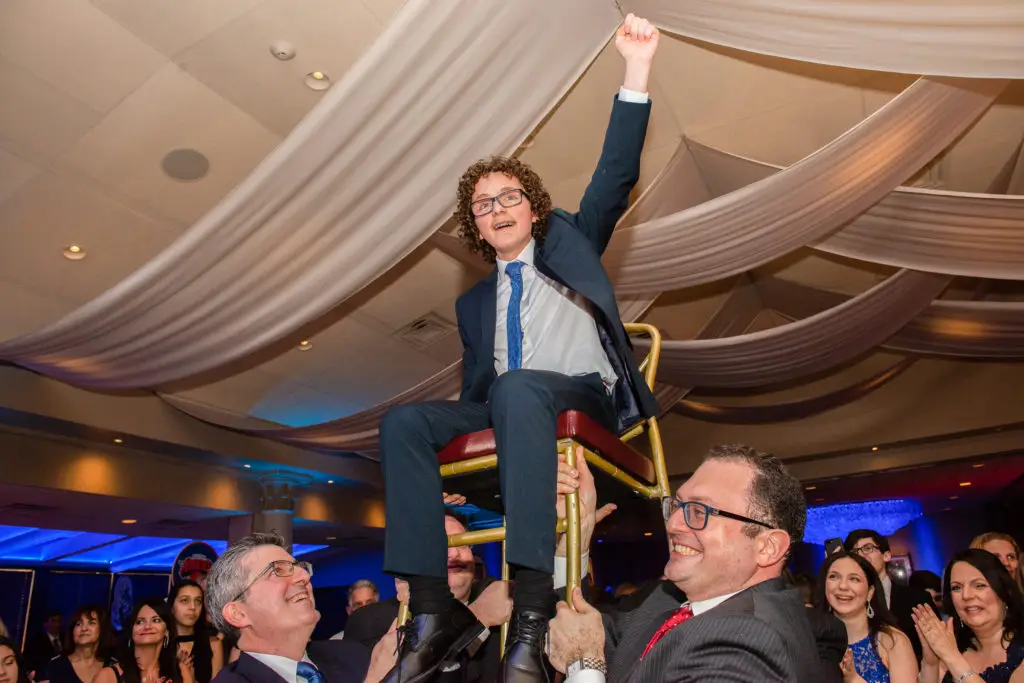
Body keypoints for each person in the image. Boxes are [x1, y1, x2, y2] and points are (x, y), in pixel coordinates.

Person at [378, 13, 661, 683]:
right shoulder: (472, 304)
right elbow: (479, 388)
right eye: (482, 205)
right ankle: (433, 613)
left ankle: (530, 616)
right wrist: (449, 467)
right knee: (404, 421)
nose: (497, 208)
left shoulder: (571, 243)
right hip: (511, 407)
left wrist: (637, 69)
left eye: (509, 197)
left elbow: (615, 174)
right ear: (474, 227)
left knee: (519, 386)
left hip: (580, 396)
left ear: (533, 209)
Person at [547, 443, 846, 683]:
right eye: (678, 506)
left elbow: (583, 649)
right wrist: (577, 534)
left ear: (767, 548)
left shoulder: (755, 642)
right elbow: (584, 631)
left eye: (700, 511)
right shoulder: (668, 598)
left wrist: (583, 666)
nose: (673, 524)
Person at [206, 532, 395, 683]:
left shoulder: (352, 655)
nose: (304, 576)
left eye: (299, 568)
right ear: (238, 613)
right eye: (277, 571)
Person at [346, 513, 512, 683]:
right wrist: (478, 617)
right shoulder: (370, 620)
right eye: (440, 546)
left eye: (463, 544)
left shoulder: (502, 611)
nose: (454, 553)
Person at [913, 548, 1024, 683]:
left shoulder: (950, 651)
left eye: (979, 585)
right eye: (956, 588)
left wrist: (952, 657)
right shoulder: (953, 646)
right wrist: (931, 662)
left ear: (1003, 592)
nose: (966, 595)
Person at [816, 552, 918, 683]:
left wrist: (853, 679)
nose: (842, 586)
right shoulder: (811, 641)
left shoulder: (892, 641)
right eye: (834, 577)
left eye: (854, 579)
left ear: (870, 592)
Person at [845, 530, 936, 662]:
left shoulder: (917, 599)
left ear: (886, 555)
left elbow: (935, 647)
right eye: (854, 552)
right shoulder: (846, 601)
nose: (860, 555)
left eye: (868, 548)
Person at [94, 599, 192, 683]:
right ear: (131, 632)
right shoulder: (108, 676)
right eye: (140, 622)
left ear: (167, 631)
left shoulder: (181, 671)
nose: (147, 626)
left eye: (156, 620)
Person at [36, 605, 112, 683]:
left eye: (91, 623)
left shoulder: (112, 666)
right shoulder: (54, 667)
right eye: (78, 624)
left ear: (102, 628)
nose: (84, 628)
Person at [169, 581, 224, 683]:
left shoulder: (213, 644)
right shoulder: (161, 643)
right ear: (171, 606)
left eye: (198, 601)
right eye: (184, 600)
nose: (193, 607)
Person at [24, 611, 63, 677]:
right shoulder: (36, 643)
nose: (57, 624)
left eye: (59, 621)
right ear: (46, 624)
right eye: (53, 621)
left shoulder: (67, 639)